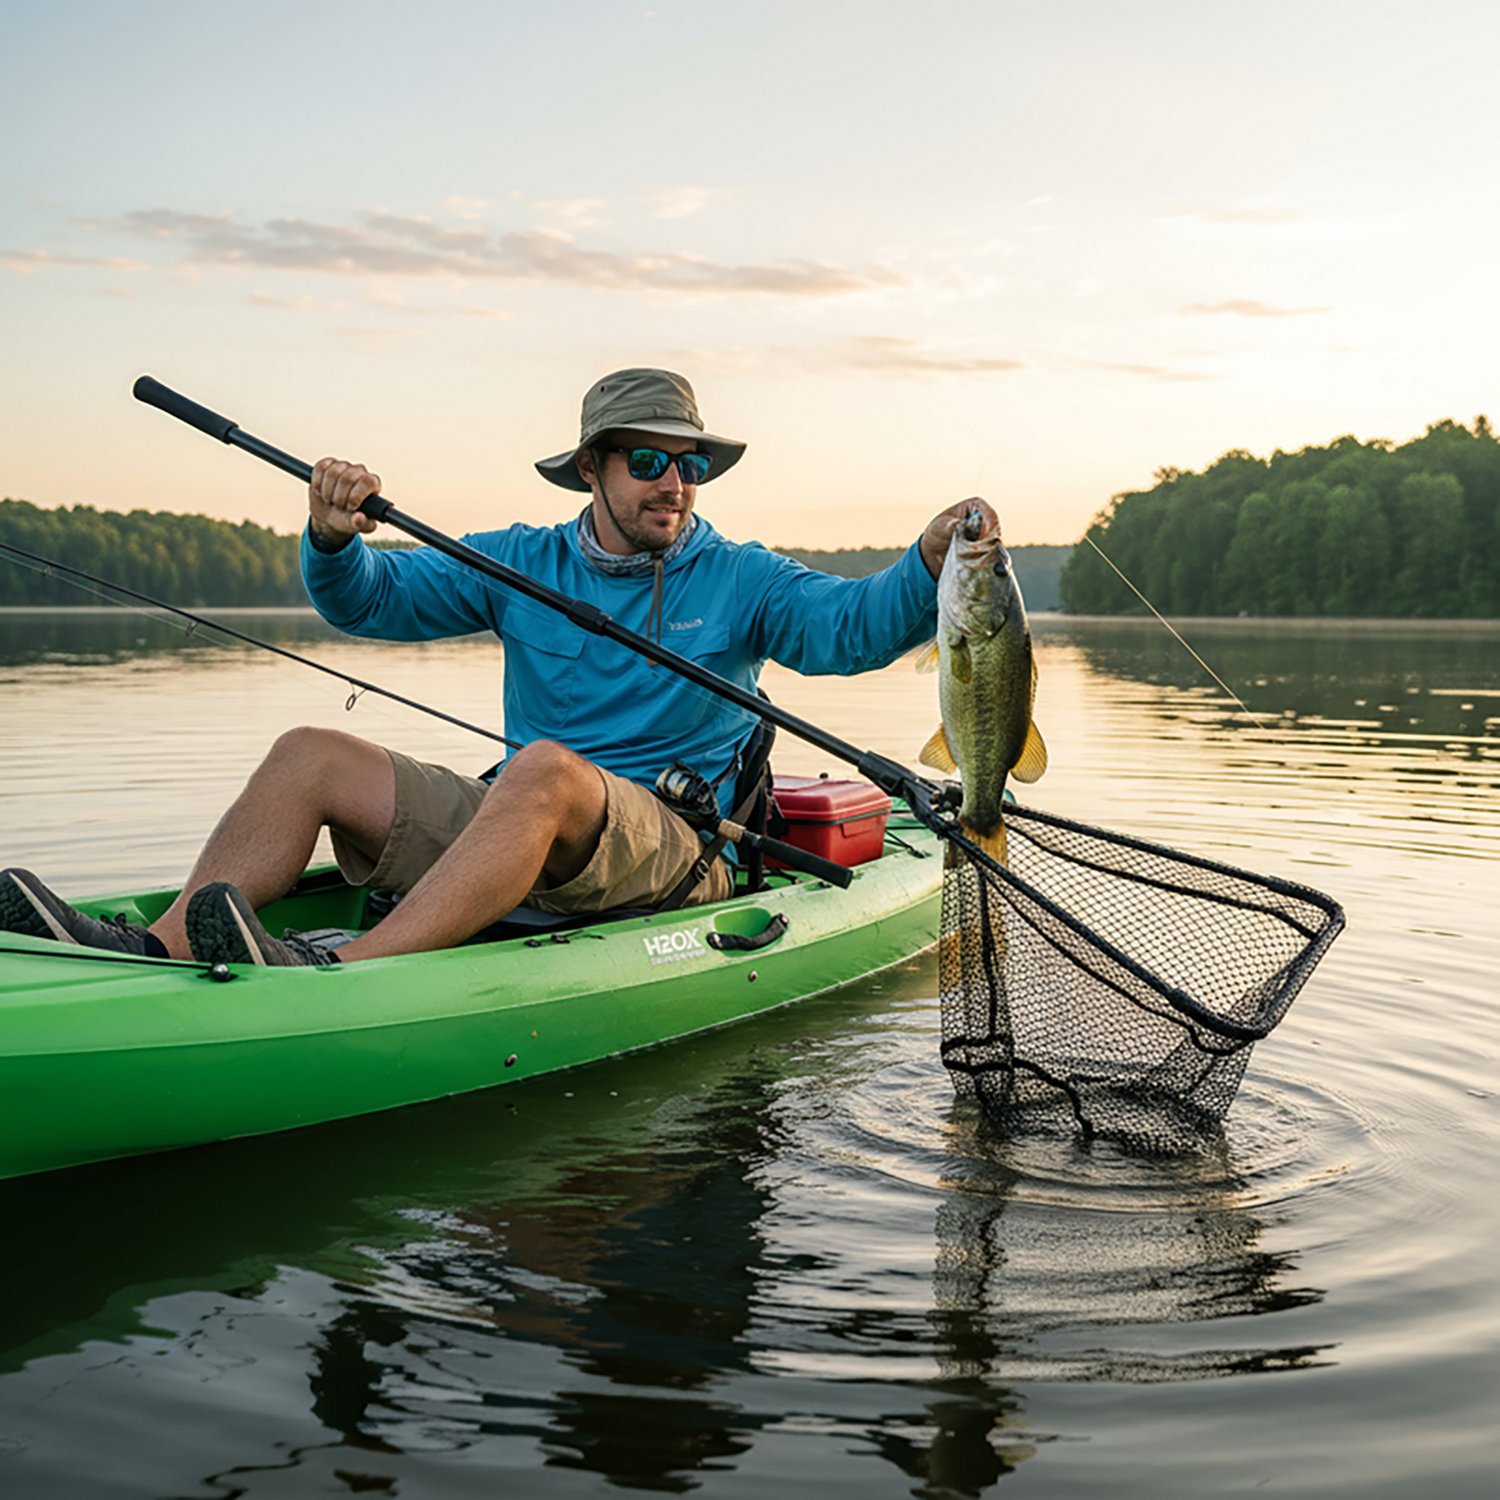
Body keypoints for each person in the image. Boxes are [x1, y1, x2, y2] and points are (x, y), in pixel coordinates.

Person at [1, 368, 994, 966]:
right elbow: (367, 602)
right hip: (531, 821)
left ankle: (347, 968)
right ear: (593, 471)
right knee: (309, 751)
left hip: (681, 850)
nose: (675, 483)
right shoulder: (520, 561)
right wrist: (332, 535)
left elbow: (851, 632)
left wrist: (923, 562)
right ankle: (165, 943)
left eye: (687, 463)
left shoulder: (743, 578)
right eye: (648, 462)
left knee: (545, 769)